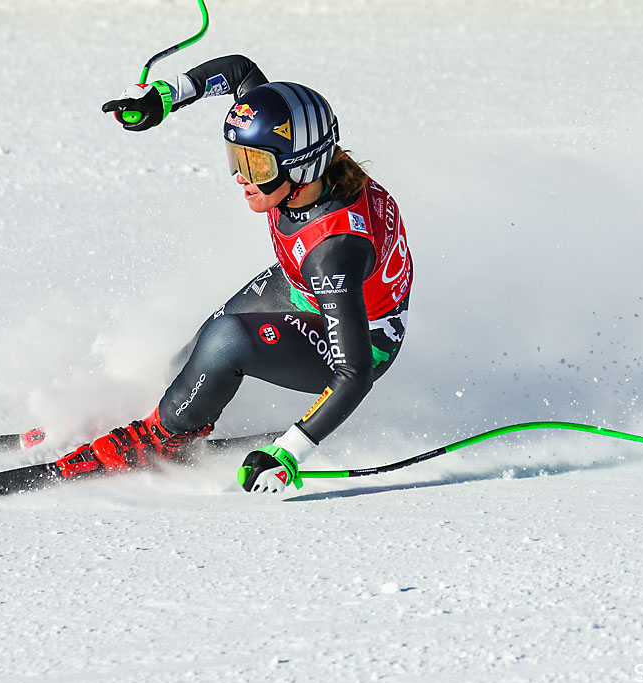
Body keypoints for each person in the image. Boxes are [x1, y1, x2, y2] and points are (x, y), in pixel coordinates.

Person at [52, 55, 413, 493]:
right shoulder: (309, 173)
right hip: (305, 286)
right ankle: (177, 416)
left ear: (301, 166)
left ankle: (161, 440)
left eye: (258, 166)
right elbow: (240, 72)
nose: (242, 177)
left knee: (227, 341)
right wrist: (162, 100)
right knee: (187, 359)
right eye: (236, 158)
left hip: (366, 339)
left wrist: (290, 453)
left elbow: (353, 373)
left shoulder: (334, 252)